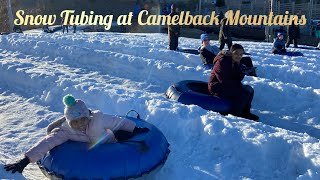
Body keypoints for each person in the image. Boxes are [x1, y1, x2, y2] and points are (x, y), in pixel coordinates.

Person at [4, 95, 149, 174]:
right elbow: (48, 142)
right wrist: (25, 160)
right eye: (75, 122)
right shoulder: (66, 131)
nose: (79, 125)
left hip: (111, 142)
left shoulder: (98, 120)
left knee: (123, 135)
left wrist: (135, 129)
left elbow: (118, 122)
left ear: (88, 116)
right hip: (91, 152)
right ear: (69, 122)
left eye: (82, 120)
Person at [208, 44, 259, 121]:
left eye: (241, 54)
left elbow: (235, 78)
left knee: (249, 90)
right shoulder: (222, 62)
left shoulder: (235, 62)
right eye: (236, 53)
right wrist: (238, 85)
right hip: (216, 86)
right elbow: (223, 80)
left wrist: (242, 72)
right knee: (241, 92)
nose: (238, 56)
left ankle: (246, 112)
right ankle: (236, 114)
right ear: (231, 53)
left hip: (226, 84)